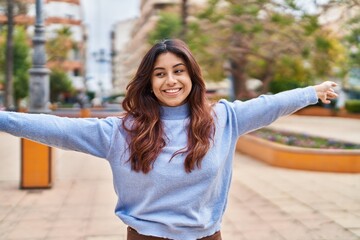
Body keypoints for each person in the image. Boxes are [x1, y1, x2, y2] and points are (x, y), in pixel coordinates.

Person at [0, 39, 337, 240]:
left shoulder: (224, 119)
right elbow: (55, 128)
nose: (170, 81)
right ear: (149, 82)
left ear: (191, 75)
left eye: (178, 71)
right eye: (160, 74)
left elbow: (269, 105)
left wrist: (312, 92)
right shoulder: (119, 131)